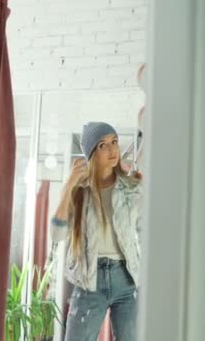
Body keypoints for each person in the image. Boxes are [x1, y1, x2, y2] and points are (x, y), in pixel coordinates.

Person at [51, 122, 142, 341]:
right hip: (89, 281)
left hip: (125, 280)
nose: (112, 150)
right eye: (103, 145)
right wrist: (69, 184)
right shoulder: (79, 191)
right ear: (91, 153)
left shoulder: (132, 187)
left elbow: (145, 232)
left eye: (114, 142)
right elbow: (56, 235)